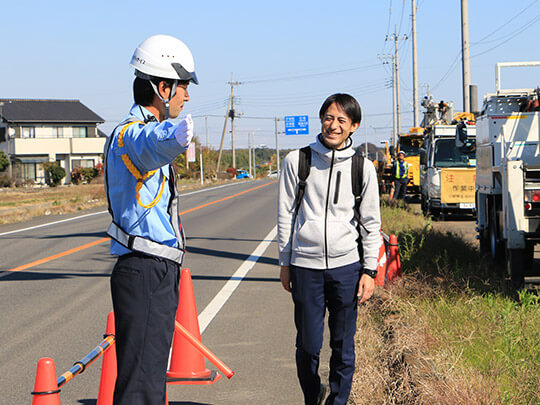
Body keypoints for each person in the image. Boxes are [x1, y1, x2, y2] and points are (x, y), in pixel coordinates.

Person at [104, 34, 198, 404]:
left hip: (158, 267)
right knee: (140, 383)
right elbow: (148, 143)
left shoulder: (140, 133)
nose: (186, 97)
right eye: (183, 88)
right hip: (142, 267)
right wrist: (172, 137)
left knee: (151, 374)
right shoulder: (131, 135)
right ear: (163, 87)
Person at [278, 93, 381, 405]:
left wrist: (369, 270)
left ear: (354, 126)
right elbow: (285, 213)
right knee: (308, 346)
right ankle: (313, 395)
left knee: (343, 346)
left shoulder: (363, 168)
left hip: (347, 268)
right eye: (328, 117)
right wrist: (285, 262)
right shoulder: (298, 161)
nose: (333, 125)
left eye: (341, 120)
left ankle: (338, 401)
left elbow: (371, 222)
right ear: (321, 119)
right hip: (305, 267)